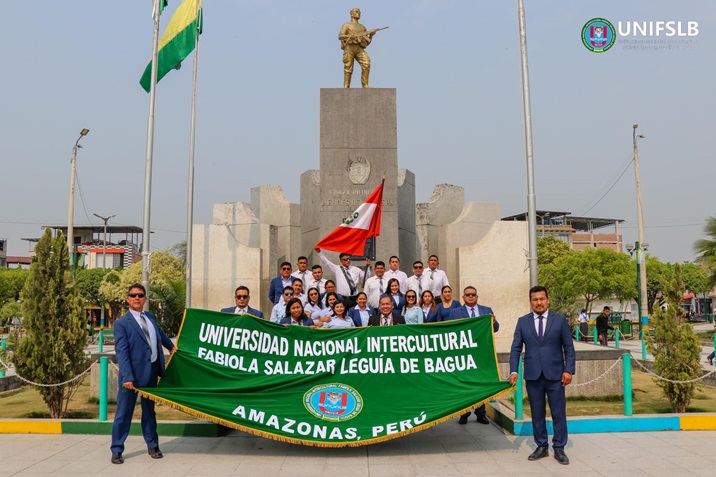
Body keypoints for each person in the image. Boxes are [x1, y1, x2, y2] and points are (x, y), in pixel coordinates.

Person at [509, 286, 575, 466]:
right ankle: (542, 446)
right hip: (533, 375)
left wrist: (568, 370)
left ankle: (559, 447)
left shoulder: (560, 320)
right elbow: (516, 348)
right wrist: (514, 370)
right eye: (535, 299)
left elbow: (568, 348)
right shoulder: (523, 322)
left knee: (558, 413)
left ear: (548, 300)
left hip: (556, 375)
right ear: (530, 302)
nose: (538, 302)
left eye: (541, 299)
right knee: (537, 413)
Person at [110, 284, 176, 465]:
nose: (137, 298)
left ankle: (153, 446)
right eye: (133, 295)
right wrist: (127, 377)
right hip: (131, 378)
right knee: (124, 413)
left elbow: (159, 334)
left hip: (151, 372)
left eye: (140, 295)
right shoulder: (122, 323)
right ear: (128, 299)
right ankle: (117, 449)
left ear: (145, 299)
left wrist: (170, 346)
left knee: (149, 412)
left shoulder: (150, 317)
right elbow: (122, 352)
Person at [447, 286, 499, 425]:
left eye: (473, 294)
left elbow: (496, 328)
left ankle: (481, 413)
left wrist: (493, 321)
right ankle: (464, 413)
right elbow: (450, 331)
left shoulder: (486, 311)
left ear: (477, 296)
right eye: (468, 295)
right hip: (463, 355)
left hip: (481, 354)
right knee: (464, 384)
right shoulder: (455, 312)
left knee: (480, 384)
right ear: (463, 297)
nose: (470, 296)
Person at [338, 8, 382, 88]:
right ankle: (346, 86)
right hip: (349, 47)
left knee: (366, 63)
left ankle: (365, 85)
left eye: (359, 12)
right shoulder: (346, 25)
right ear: (351, 14)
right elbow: (340, 36)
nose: (358, 13)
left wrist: (371, 35)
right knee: (348, 66)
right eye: (356, 12)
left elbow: (367, 43)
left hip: (359, 48)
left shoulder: (362, 27)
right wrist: (350, 36)